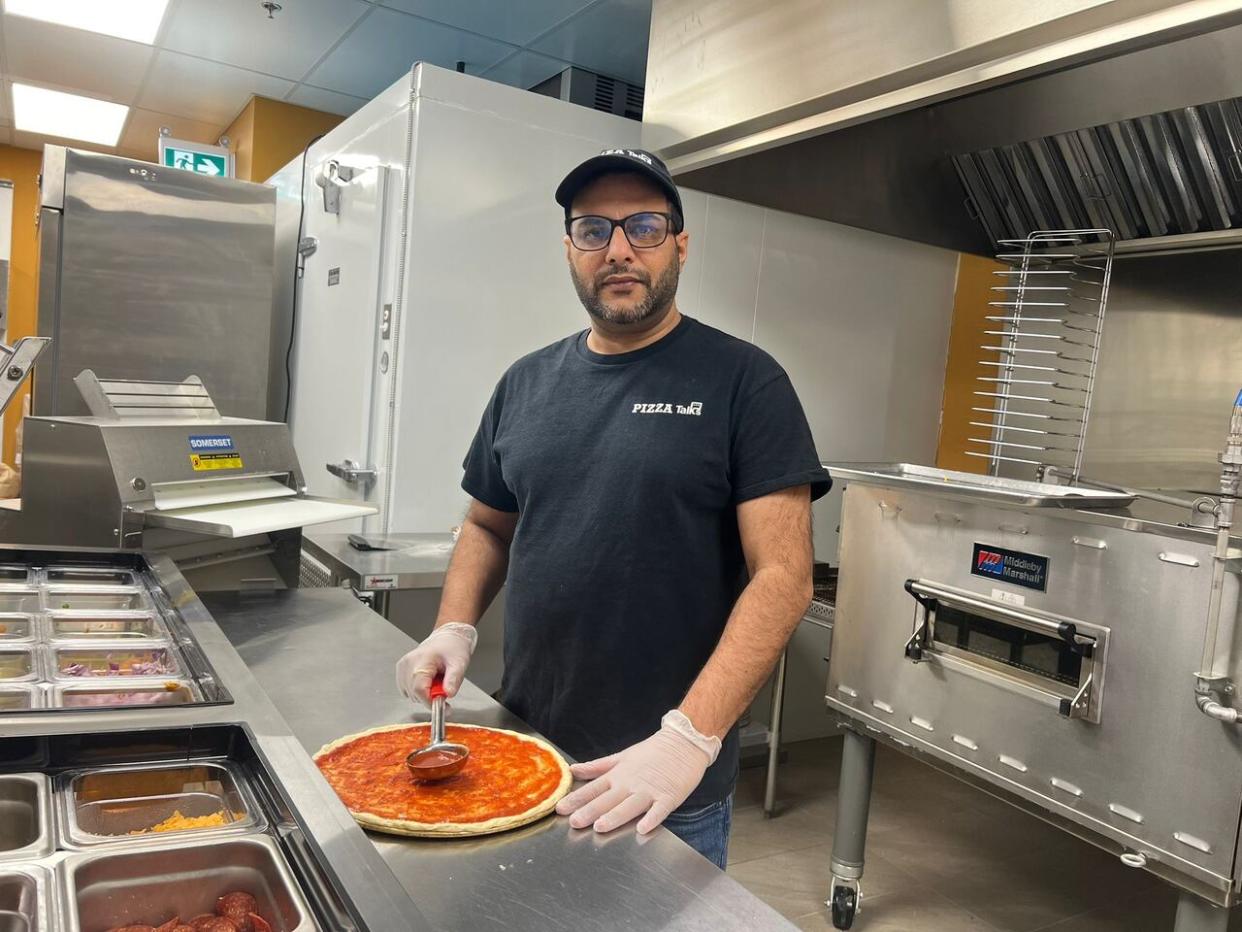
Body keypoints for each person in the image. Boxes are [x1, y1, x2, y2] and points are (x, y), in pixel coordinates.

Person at [396, 147, 830, 868]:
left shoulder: (745, 381)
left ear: (681, 246)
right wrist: (453, 624)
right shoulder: (525, 382)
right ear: (570, 249)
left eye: (645, 227)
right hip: (525, 743)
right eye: (593, 230)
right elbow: (486, 525)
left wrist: (689, 738)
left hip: (663, 781)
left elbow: (784, 576)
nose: (619, 250)